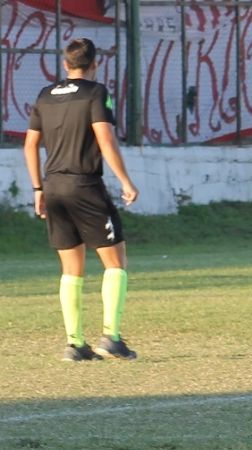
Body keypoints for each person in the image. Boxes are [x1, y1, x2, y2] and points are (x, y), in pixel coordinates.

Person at [23, 38, 139, 361]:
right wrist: (126, 181)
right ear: (95, 64)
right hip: (85, 186)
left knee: (71, 270)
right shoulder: (96, 93)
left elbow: (30, 145)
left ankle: (75, 344)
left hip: (54, 188)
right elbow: (105, 140)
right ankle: (111, 339)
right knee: (115, 263)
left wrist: (37, 190)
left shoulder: (46, 95)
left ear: (64, 64)